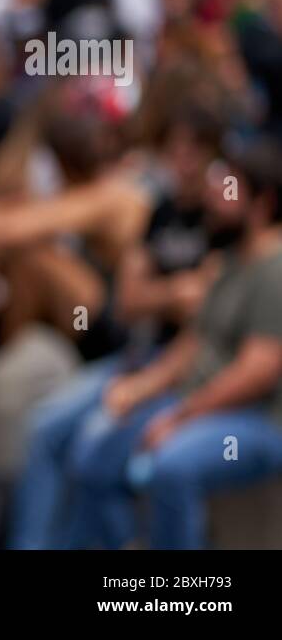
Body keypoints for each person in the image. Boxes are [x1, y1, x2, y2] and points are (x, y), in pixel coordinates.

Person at [9, 100, 225, 548]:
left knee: (96, 450)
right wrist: (173, 294)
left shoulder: (222, 220)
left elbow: (205, 318)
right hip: (133, 358)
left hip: (180, 371)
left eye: (194, 150)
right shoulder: (158, 210)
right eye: (175, 149)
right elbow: (128, 302)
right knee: (46, 430)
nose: (183, 161)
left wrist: (164, 302)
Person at [65, 138, 282, 549]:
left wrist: (182, 416)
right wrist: (139, 389)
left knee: (171, 467)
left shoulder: (276, 268)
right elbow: (192, 344)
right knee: (93, 455)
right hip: (198, 405)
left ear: (263, 201)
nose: (213, 199)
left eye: (229, 189)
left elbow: (258, 373)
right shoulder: (229, 261)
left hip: (257, 420)